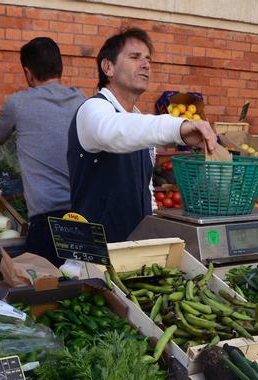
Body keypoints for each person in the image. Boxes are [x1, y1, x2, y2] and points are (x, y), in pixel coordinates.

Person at [67, 27, 219, 243]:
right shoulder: (92, 110)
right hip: (95, 257)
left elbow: (145, 188)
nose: (146, 64)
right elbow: (113, 132)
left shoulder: (139, 124)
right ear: (108, 67)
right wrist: (178, 128)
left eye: (148, 59)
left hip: (133, 252)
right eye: (135, 57)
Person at [0, 37, 85, 262]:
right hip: (84, 216)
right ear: (61, 67)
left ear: (28, 73)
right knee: (81, 289)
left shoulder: (18, 103)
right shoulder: (82, 100)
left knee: (43, 291)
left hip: (46, 221)